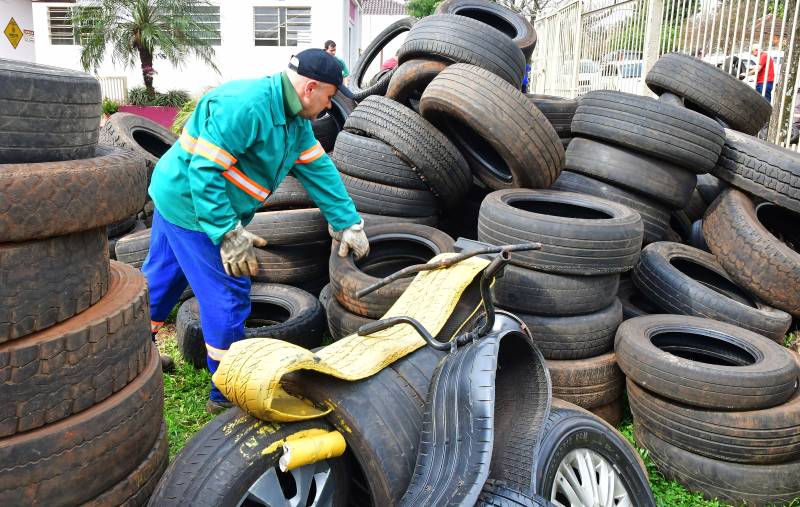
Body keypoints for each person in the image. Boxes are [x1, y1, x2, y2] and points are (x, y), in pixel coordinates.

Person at [142, 48, 370, 414]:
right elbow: (204, 171)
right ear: (311, 87)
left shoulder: (294, 122)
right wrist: (227, 233)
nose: (329, 106)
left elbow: (319, 170)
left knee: (162, 281)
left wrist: (347, 223)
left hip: (177, 197)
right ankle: (226, 393)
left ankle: (133, 355)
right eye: (329, 96)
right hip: (191, 206)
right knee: (228, 296)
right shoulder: (246, 106)